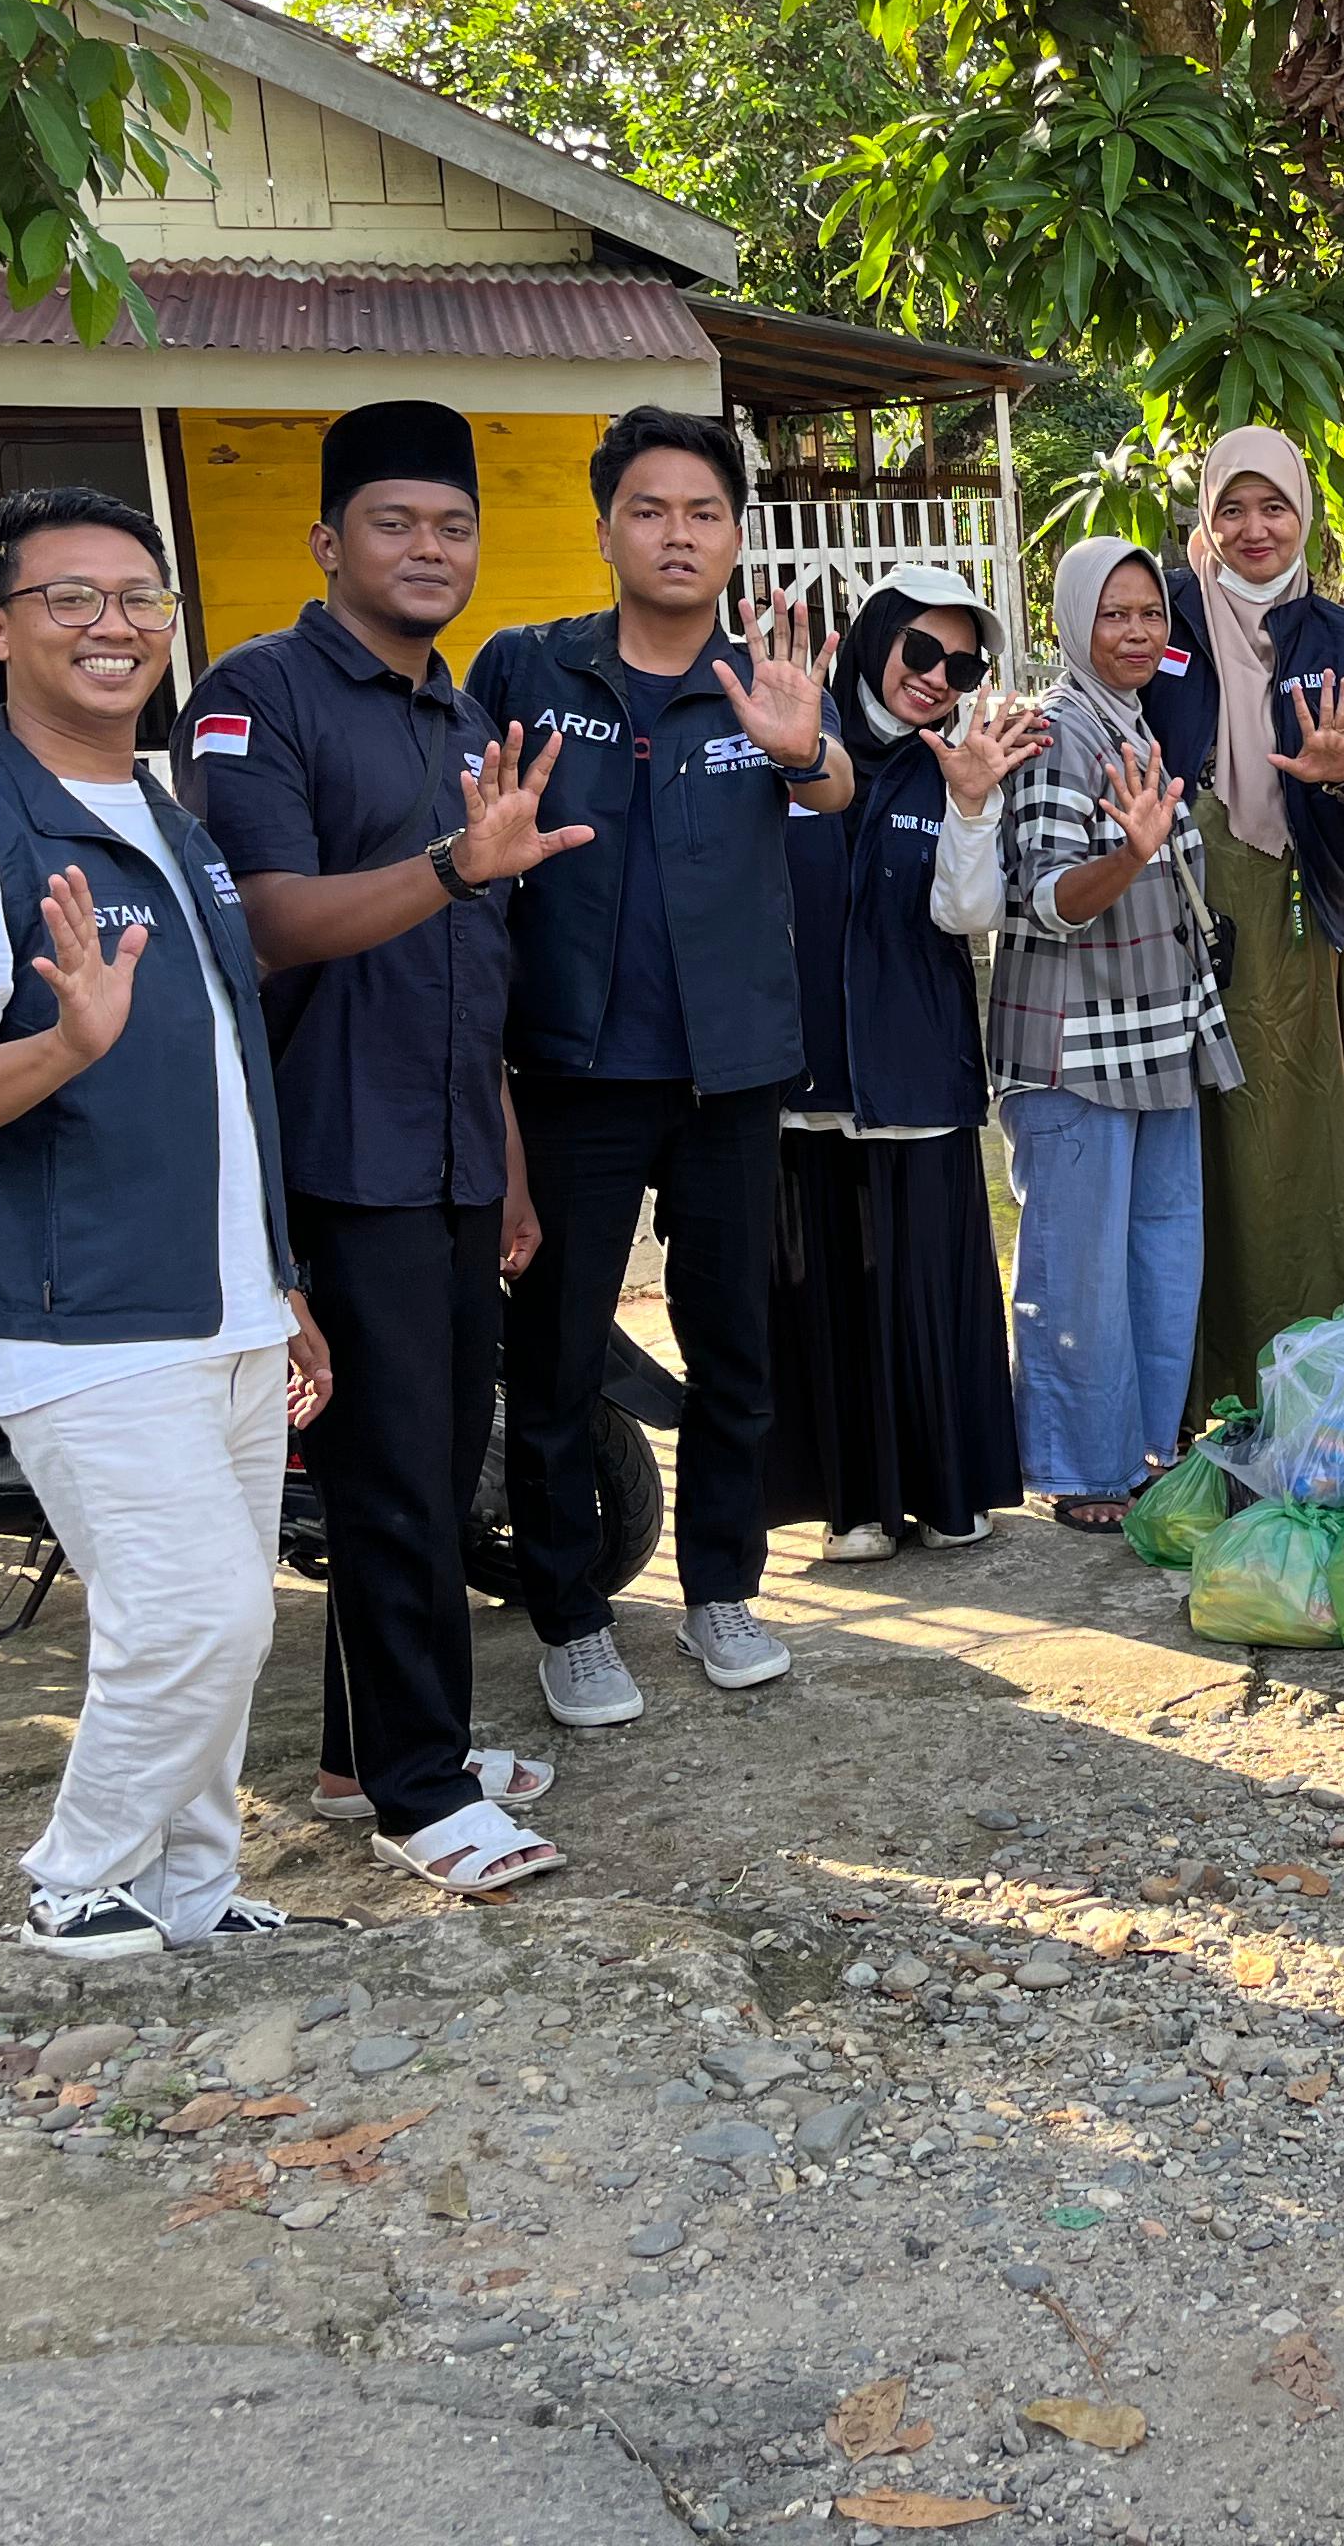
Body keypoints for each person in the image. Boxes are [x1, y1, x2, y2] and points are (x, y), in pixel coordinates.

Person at [0, 487, 331, 1957]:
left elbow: (232, 1089)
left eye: (140, 599)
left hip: (222, 1296)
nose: (114, 626)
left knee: (207, 1626)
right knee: (200, 1624)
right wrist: (60, 1051)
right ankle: (79, 1874)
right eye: (71, 599)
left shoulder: (170, 822)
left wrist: (285, 1282)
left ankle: (185, 1894)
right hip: (75, 1310)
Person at [180, 401, 579, 1896]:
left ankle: (367, 1750)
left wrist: (513, 1164)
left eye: (454, 525)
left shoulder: (466, 716)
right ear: (327, 541)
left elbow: (478, 968)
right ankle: (423, 1793)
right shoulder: (259, 694)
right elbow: (267, 917)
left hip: (454, 1155)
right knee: (398, 1479)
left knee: (423, 1459)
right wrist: (446, 865)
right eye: (397, 523)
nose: (430, 549)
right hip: (334, 1152)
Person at [465, 405, 851, 1729]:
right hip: (575, 1074)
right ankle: (571, 1618)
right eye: (650, 509)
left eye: (702, 512)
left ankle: (721, 1590)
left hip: (730, 1072)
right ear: (604, 529)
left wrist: (806, 752)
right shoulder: (527, 669)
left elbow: (833, 782)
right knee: (561, 1360)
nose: (677, 534)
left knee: (735, 1341)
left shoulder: (762, 680)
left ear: (737, 535)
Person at [768, 571, 1047, 1560]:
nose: (936, 678)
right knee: (830, 1292)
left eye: (961, 664)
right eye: (920, 652)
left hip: (916, 1067)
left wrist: (972, 806)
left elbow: (967, 915)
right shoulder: (792, 740)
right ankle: (853, 1507)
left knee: (927, 1287)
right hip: (808, 1077)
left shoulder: (957, 763)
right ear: (877, 637)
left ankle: (945, 1490)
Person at [992, 537, 1243, 1530]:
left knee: (1157, 1250)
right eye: (1114, 614)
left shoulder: (1131, 722)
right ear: (1072, 623)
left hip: (1154, 1035)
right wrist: (1131, 858)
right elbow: (1048, 895)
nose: (1137, 632)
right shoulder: (1057, 730)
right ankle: (1082, 1467)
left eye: (1149, 614)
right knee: (1078, 1264)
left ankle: (1140, 1449)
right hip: (1076, 1046)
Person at [1143, 428, 1344, 1400]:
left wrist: (1341, 772)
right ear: (1206, 515)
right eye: (1233, 508)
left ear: (1303, 516)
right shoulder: (1163, 613)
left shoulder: (1337, 635)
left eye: (1274, 507)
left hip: (1292, 913)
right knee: (1191, 1147)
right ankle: (1198, 1391)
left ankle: (1317, 1386)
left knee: (1296, 1134)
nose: (1254, 529)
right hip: (1175, 908)